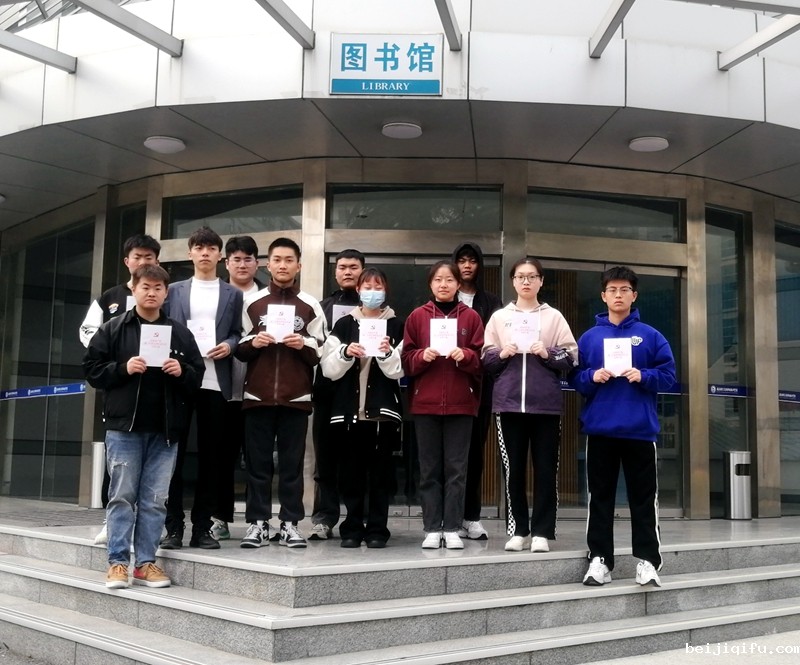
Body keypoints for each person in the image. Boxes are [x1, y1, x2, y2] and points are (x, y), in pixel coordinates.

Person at [83, 264, 204, 589]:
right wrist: (123, 368)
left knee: (155, 499)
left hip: (165, 431)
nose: (151, 293)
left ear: (166, 293)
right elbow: (92, 370)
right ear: (134, 289)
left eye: (158, 288)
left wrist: (182, 371)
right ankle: (118, 563)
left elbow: (197, 375)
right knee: (121, 497)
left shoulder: (179, 332)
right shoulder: (113, 328)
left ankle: (146, 563)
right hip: (124, 428)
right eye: (145, 287)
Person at [570, 266, 676, 588]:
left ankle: (648, 561)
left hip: (639, 430)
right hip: (600, 430)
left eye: (624, 289)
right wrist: (591, 376)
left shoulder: (651, 335)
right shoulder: (589, 338)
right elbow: (575, 378)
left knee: (643, 500)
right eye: (612, 290)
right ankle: (600, 560)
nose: (618, 295)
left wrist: (644, 375)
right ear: (603, 296)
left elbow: (669, 376)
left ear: (634, 295)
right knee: (599, 499)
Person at [483, 258, 577, 553]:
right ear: (513, 281)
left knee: (546, 469)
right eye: (520, 276)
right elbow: (486, 360)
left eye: (532, 276)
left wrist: (547, 353)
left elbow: (571, 357)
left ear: (541, 281)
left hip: (545, 405)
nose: (526, 281)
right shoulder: (500, 317)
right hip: (508, 404)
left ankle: (542, 532)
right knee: (513, 470)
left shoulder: (553, 317)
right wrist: (503, 353)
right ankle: (518, 530)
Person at [236, 237, 325, 548]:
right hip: (257, 396)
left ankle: (290, 523)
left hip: (296, 398)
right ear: (267, 264)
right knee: (258, 465)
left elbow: (321, 350)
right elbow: (238, 346)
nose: (283, 265)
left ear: (299, 265)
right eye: (277, 260)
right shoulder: (252, 303)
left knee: (292, 466)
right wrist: (253, 342)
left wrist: (303, 344)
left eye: (289, 260)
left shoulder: (310, 305)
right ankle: (257, 524)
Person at [160, 226, 243, 550]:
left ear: (220, 255)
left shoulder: (232, 293)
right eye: (199, 247)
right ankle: (173, 527)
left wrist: (229, 345)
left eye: (211, 248)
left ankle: (202, 528)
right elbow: (163, 327)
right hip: (179, 380)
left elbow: (236, 332)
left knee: (213, 458)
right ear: (190, 253)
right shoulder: (174, 290)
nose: (205, 253)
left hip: (214, 382)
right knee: (173, 456)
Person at [79, 233, 162, 546]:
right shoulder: (110, 297)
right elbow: (87, 332)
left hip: (155, 391)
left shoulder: (161, 295)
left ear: (157, 261)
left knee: (154, 465)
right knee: (118, 461)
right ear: (127, 261)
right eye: (137, 257)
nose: (142, 262)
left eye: (149, 257)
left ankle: (151, 524)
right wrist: (113, 355)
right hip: (120, 389)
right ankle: (111, 521)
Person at [401, 260, 484, 550]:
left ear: (458, 284)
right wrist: (420, 357)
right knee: (429, 470)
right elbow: (406, 360)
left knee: (457, 470)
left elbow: (481, 360)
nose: (444, 284)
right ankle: (431, 528)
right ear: (431, 284)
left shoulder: (471, 317)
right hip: (426, 403)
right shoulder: (417, 317)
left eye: (449, 279)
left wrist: (467, 356)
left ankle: (452, 527)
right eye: (438, 279)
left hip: (461, 404)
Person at [320, 267, 403, 548]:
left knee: (381, 476)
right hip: (349, 413)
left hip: (382, 414)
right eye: (367, 286)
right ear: (358, 290)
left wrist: (387, 353)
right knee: (350, 475)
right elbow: (328, 369)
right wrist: (346, 353)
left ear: (386, 290)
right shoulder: (344, 325)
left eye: (378, 286)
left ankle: (378, 529)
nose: (372, 292)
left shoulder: (396, 326)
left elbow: (399, 371)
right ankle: (352, 528)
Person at [209, 235, 265, 541]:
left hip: (258, 390)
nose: (242, 265)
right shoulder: (216, 295)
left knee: (258, 459)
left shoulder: (268, 297)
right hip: (221, 388)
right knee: (221, 457)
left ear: (257, 263)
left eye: (248, 259)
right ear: (226, 263)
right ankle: (220, 517)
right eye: (236, 259)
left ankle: (259, 520)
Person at [309, 249, 365, 540]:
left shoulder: (375, 308)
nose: (347, 272)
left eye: (353, 267)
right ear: (335, 271)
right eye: (342, 267)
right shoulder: (322, 307)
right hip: (327, 392)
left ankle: (358, 518)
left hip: (361, 394)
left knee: (357, 459)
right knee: (326, 457)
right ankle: (324, 517)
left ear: (362, 271)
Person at [451, 242, 502, 540]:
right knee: (449, 457)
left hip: (481, 388)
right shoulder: (442, 299)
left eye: (472, 261)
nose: (467, 266)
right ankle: (447, 517)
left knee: (474, 454)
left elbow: (496, 343)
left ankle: (471, 516)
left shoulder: (491, 302)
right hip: (446, 385)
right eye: (462, 260)